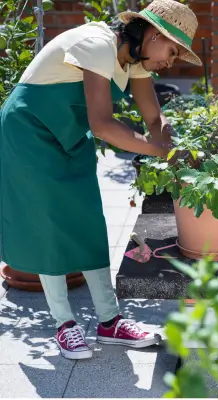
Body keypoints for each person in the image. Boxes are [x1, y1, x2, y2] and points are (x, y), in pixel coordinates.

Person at [0, 0, 202, 360]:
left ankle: (110, 322)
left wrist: (173, 143)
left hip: (69, 133)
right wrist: (159, 152)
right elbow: (103, 124)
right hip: (28, 131)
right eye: (172, 50)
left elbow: (154, 121)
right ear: (154, 35)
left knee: (89, 221)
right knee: (49, 225)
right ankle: (64, 325)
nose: (170, 62)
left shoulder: (135, 61)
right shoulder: (97, 45)